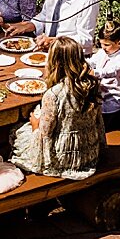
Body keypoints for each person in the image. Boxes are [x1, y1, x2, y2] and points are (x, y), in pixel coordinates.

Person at [9, 36, 104, 180]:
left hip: (62, 157)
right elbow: (98, 122)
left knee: (17, 132)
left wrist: (35, 123)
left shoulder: (54, 94)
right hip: (88, 150)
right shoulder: (90, 85)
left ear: (55, 62)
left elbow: (45, 134)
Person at [88, 21, 120, 132]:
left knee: (101, 128)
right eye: (101, 44)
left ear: (119, 42)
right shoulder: (103, 52)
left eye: (107, 45)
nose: (103, 47)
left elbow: (109, 72)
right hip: (98, 95)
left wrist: (93, 72)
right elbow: (92, 61)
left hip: (112, 102)